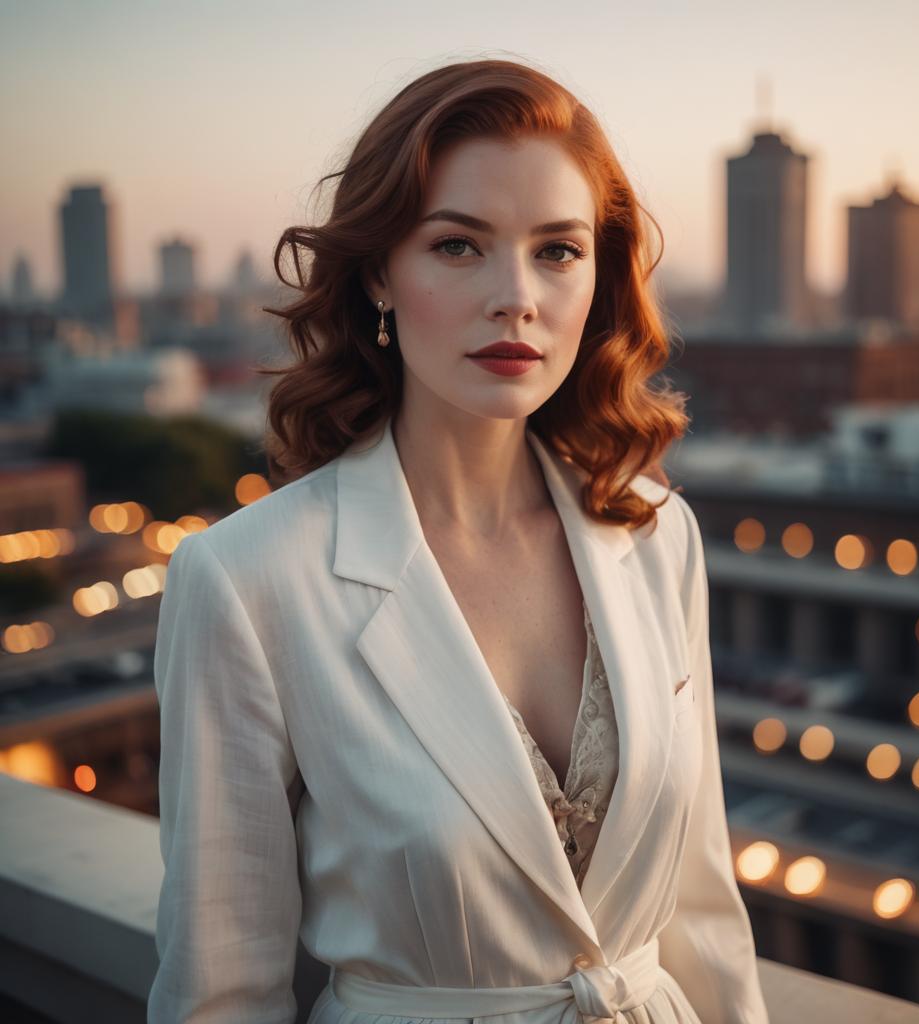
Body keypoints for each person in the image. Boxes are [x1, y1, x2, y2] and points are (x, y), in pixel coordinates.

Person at [148, 57, 770, 1024]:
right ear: (379, 279)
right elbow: (220, 989)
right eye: (458, 246)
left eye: (557, 251)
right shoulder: (246, 579)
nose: (516, 297)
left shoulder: (653, 531)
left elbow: (703, 912)